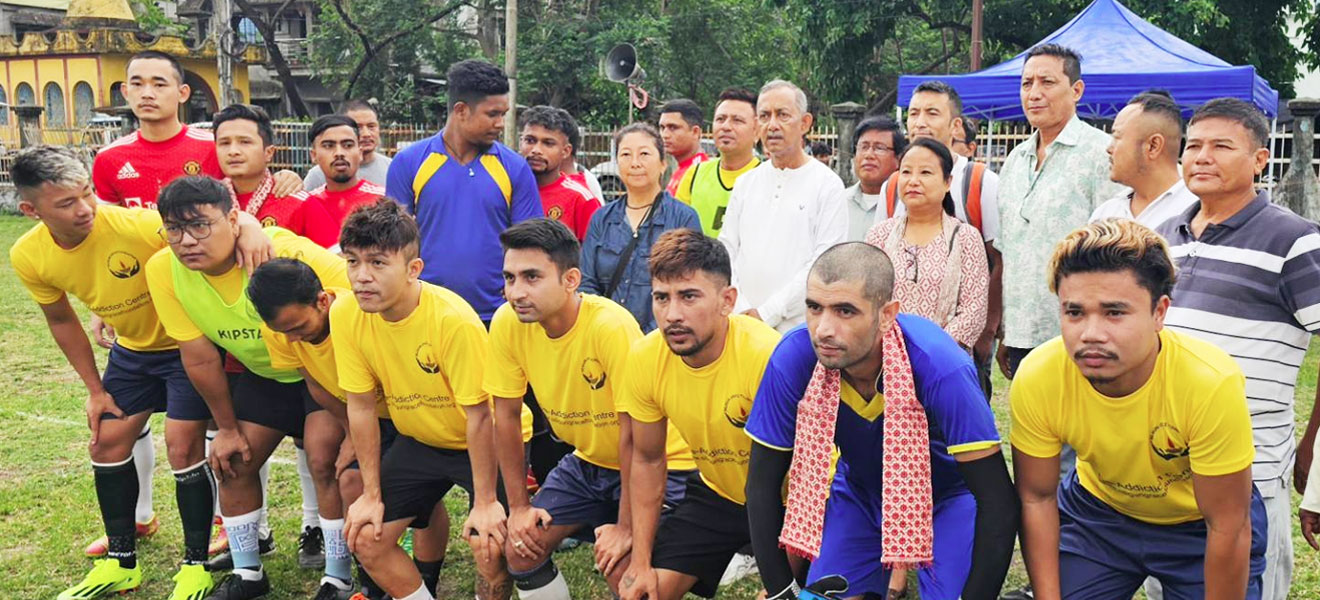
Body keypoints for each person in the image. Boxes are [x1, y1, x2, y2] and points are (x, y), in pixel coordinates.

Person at [9, 146, 266, 600]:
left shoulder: (137, 225)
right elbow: (61, 319)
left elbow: (206, 226)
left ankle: (195, 566)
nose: (85, 208)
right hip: (131, 352)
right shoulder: (28, 255)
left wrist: (249, 224)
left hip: (186, 349)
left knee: (182, 445)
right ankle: (121, 563)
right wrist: (94, 390)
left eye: (87, 192)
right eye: (67, 203)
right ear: (32, 210)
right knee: (106, 441)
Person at [745, 242, 1016, 600]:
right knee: (827, 594)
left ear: (887, 314)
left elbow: (997, 500)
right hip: (862, 493)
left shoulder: (941, 365)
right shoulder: (794, 356)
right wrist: (783, 592)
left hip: (949, 497)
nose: (823, 329)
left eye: (845, 311)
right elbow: (761, 485)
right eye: (814, 308)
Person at [1012, 219, 1265, 599]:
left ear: (1159, 312)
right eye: (1074, 312)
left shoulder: (1209, 382)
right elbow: (1037, 498)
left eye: (1114, 312)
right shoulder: (1040, 375)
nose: (1091, 334)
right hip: (1098, 517)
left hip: (1199, 525)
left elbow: (1227, 524)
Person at [144, 175, 349, 600]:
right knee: (233, 461)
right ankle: (248, 574)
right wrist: (226, 429)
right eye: (174, 229)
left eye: (200, 225)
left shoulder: (285, 252)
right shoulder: (163, 269)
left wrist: (358, 420)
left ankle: (337, 577)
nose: (187, 240)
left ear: (234, 219)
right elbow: (199, 357)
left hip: (324, 376)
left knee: (324, 457)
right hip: (266, 376)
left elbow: (358, 299)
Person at [1155, 97, 1320, 600]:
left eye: (1222, 146)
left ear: (1259, 160)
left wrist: (1312, 444)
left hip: (1251, 472)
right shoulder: (1161, 239)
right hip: (1166, 473)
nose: (1202, 157)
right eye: (1194, 146)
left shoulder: (1294, 241)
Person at [486, 218, 697, 599]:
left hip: (662, 464)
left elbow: (635, 438)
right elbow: (506, 416)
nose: (516, 291)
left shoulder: (609, 327)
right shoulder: (507, 323)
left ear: (571, 280)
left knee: (626, 576)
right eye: (509, 278)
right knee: (520, 548)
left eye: (532, 277)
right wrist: (517, 507)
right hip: (590, 462)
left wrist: (626, 526)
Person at [332, 200, 525, 600]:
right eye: (352, 262)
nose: (362, 276)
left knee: (490, 545)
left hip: (486, 440)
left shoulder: (452, 320)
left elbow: (480, 417)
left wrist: (486, 501)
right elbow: (361, 405)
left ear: (413, 269)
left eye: (377, 263)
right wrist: (370, 495)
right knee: (366, 537)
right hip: (420, 441)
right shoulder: (346, 312)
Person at [247, 258, 452, 600]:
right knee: (352, 482)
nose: (293, 338)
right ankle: (372, 588)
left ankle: (426, 581)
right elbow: (315, 383)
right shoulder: (281, 332)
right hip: (361, 414)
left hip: (408, 410)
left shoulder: (362, 314)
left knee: (423, 500)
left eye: (299, 326)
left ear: (322, 301)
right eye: (284, 332)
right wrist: (350, 431)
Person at [614, 229, 781, 600]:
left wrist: (783, 585)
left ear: (727, 301)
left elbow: (807, 474)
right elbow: (647, 459)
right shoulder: (645, 357)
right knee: (640, 591)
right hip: (719, 493)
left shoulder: (766, 355)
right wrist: (640, 562)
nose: (672, 315)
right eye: (662, 297)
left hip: (789, 500)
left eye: (689, 296)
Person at [996, 44, 1125, 382]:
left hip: (1082, 335)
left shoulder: (1100, 153)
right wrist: (1007, 330)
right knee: (1029, 416)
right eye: (1027, 84)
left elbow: (1117, 248)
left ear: (1076, 90)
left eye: (1047, 82)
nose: (1034, 93)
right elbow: (1010, 253)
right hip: (1021, 333)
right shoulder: (1014, 161)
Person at [385, 59, 542, 324]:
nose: (501, 123)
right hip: (428, 314)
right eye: (492, 114)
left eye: (503, 114)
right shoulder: (409, 163)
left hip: (496, 316)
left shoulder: (515, 168)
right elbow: (393, 244)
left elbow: (530, 244)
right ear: (461, 110)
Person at [720, 79, 847, 334]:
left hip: (798, 330)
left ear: (805, 123)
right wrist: (742, 309)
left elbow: (824, 263)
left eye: (783, 115)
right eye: (764, 116)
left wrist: (766, 313)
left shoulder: (828, 185)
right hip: (740, 325)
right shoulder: (746, 183)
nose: (772, 125)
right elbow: (726, 250)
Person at [866, 138, 987, 351]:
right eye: (906, 172)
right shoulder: (879, 236)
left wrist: (929, 351)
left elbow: (974, 311)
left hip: (944, 359)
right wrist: (892, 350)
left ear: (947, 182)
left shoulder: (966, 238)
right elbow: (865, 298)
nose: (913, 181)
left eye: (925, 173)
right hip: (885, 357)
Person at [580, 123, 702, 332]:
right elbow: (587, 283)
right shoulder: (602, 218)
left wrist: (649, 338)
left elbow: (688, 285)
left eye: (644, 154)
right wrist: (608, 330)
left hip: (663, 338)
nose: (635, 163)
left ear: (663, 164)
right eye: (626, 155)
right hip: (606, 336)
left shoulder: (683, 218)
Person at [214, 104, 340, 249]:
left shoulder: (299, 203)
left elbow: (337, 256)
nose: (233, 151)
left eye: (245, 142)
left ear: (269, 152)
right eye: (225, 143)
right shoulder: (208, 203)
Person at [1090, 91, 1198, 228]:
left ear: (1153, 146)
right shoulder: (1105, 214)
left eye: (1117, 137)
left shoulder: (1196, 211)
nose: (1109, 148)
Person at [674, 87, 761, 237]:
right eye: (720, 119)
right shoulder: (694, 175)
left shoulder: (768, 180)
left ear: (757, 130)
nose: (726, 127)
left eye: (737, 120)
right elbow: (676, 233)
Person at [518, 106, 601, 241]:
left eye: (548, 143)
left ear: (566, 151)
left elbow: (597, 250)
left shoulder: (581, 199)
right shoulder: (506, 189)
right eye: (530, 141)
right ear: (520, 142)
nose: (536, 150)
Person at [305, 114, 386, 237]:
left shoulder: (383, 201)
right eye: (328, 146)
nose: (339, 153)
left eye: (348, 145)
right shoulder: (305, 205)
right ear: (314, 155)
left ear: (360, 152)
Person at [837, 116, 905, 241]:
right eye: (863, 147)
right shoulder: (838, 202)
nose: (869, 155)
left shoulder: (904, 207)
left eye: (879, 148)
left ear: (899, 159)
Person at [305, 99, 393, 189]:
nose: (366, 134)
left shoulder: (393, 168)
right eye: (358, 127)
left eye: (371, 126)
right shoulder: (318, 175)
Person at [658, 99, 708, 195]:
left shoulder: (700, 174)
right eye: (662, 128)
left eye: (673, 127)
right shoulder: (682, 169)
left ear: (695, 132)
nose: (665, 135)